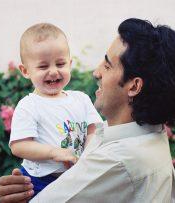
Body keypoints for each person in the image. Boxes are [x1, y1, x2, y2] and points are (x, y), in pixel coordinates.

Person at [0, 18, 175, 202]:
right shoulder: (145, 138)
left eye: (108, 66)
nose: (96, 72)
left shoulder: (116, 163)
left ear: (134, 86)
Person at [8, 23, 103, 197]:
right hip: (39, 181)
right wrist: (53, 153)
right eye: (43, 67)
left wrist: (87, 156)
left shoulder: (81, 99)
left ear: (70, 64)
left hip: (76, 177)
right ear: (25, 71)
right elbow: (19, 145)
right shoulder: (29, 105)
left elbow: (94, 130)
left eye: (60, 64)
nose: (53, 71)